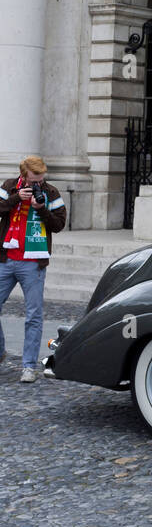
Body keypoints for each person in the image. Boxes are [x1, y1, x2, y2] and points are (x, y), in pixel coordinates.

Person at [0, 156, 67, 382]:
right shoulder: (9, 186)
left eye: (40, 180)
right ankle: (0, 352)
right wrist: (16, 198)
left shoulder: (51, 193)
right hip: (6, 259)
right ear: (23, 176)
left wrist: (42, 209)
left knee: (33, 316)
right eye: (33, 181)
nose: (37, 184)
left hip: (33, 262)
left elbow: (59, 225)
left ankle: (28, 367)